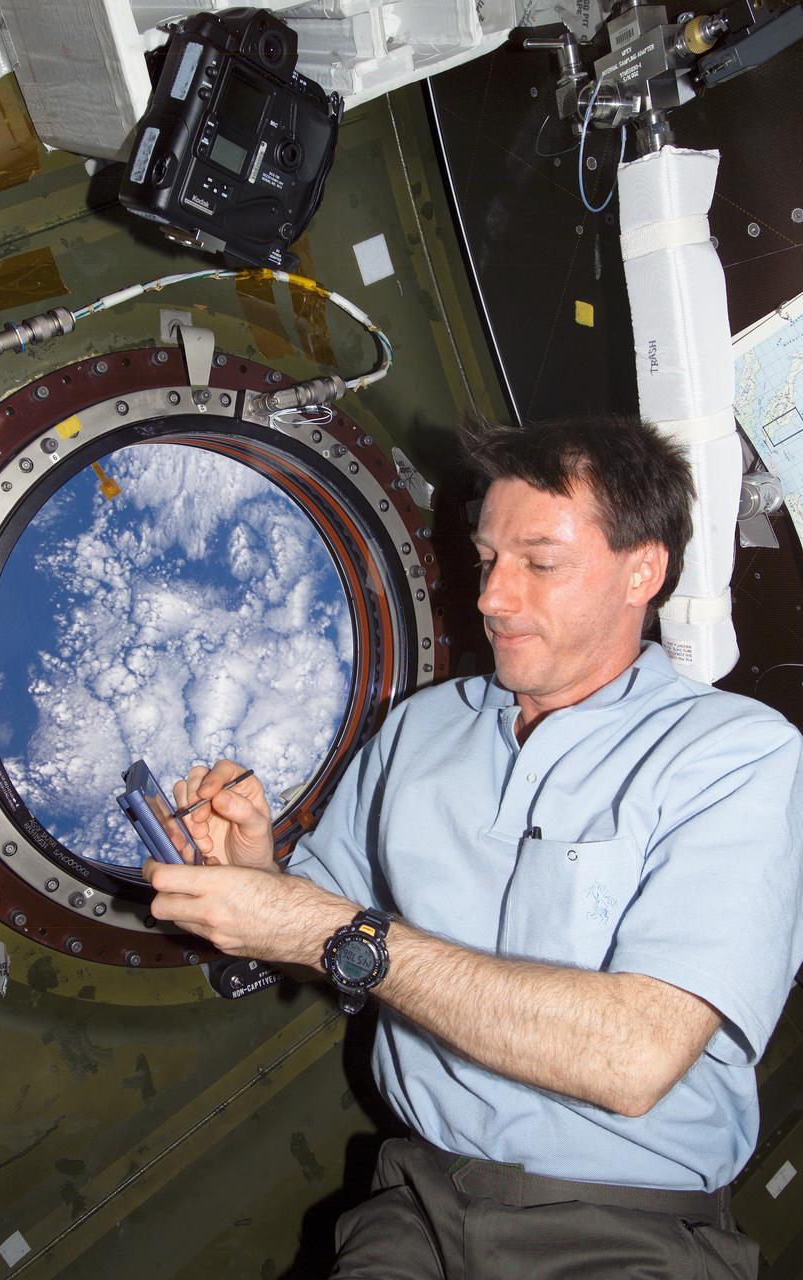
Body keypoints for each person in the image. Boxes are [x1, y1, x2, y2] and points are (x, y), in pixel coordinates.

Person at [145, 414, 803, 1279]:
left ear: (643, 570)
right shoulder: (419, 729)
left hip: (620, 1228)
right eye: (488, 558)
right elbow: (322, 928)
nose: (492, 596)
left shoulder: (733, 755)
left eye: (539, 563)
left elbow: (632, 1059)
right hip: (413, 1200)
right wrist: (258, 874)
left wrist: (327, 930)